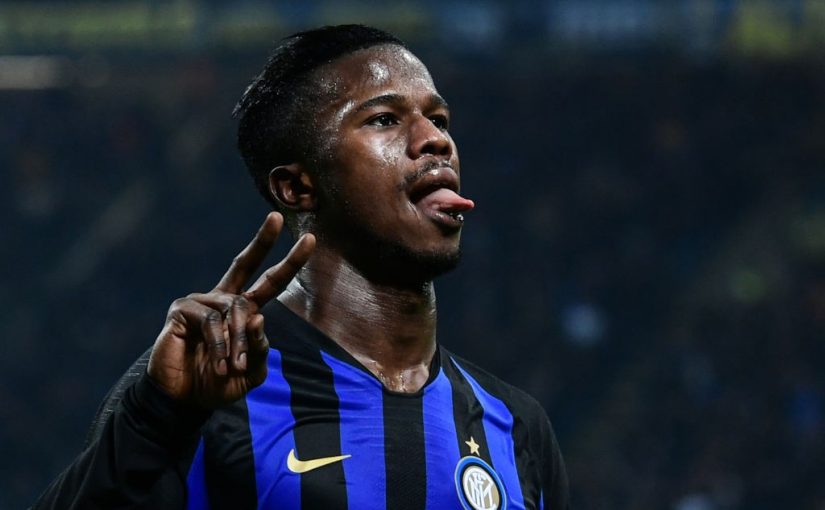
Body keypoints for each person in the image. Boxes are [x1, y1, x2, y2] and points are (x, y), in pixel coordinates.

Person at [32, 25, 570, 510]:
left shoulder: (515, 425)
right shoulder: (204, 387)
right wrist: (154, 419)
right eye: (385, 119)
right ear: (296, 186)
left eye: (439, 118)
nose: (435, 139)